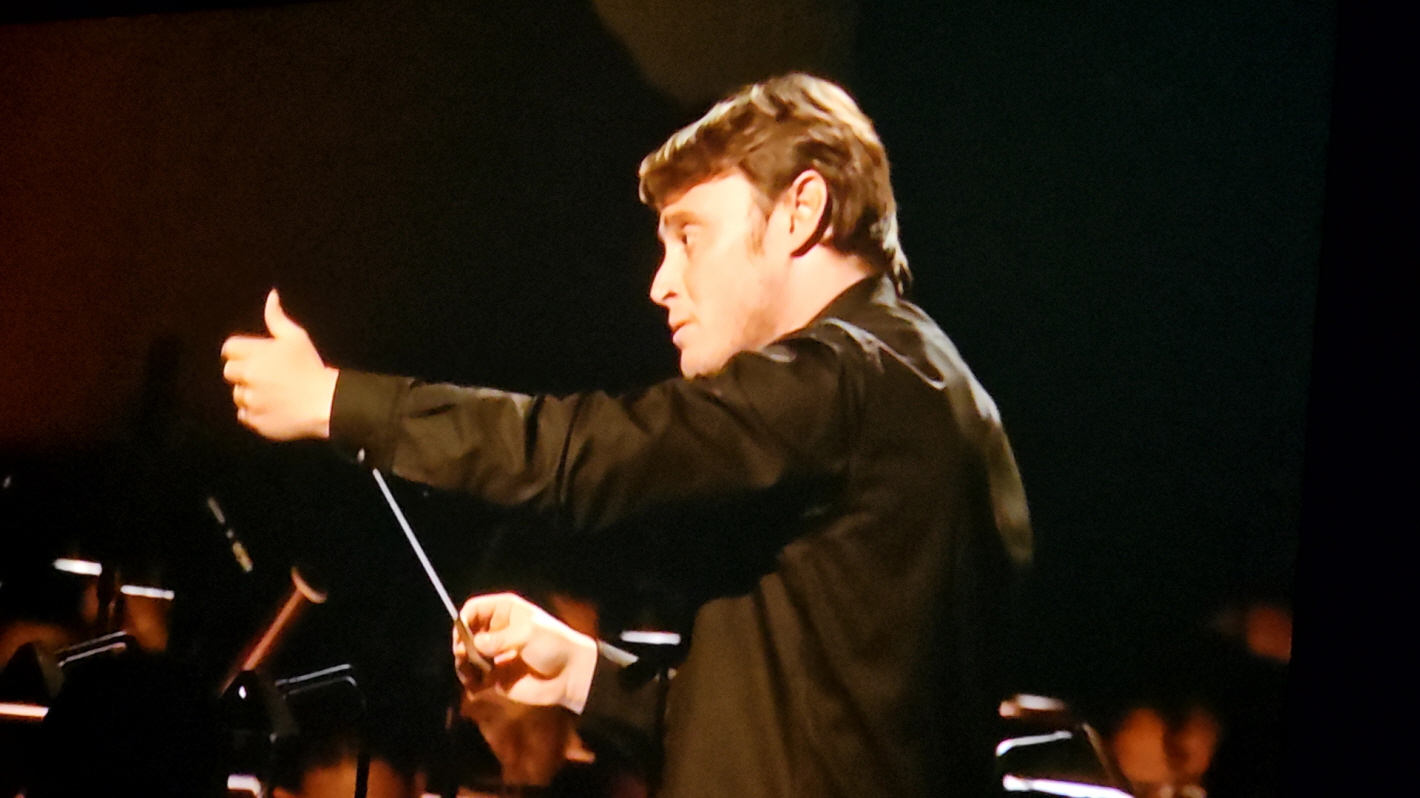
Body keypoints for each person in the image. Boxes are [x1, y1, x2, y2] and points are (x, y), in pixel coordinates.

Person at [221, 73, 1032, 798]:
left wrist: (335, 401)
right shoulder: (926, 389)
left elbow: (581, 455)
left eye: (690, 236)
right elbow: (813, 728)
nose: (660, 284)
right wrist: (581, 671)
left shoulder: (843, 380)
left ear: (801, 211)